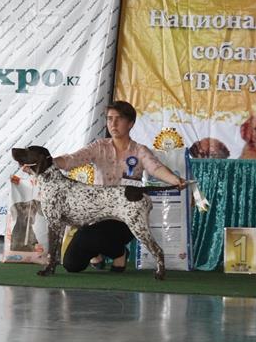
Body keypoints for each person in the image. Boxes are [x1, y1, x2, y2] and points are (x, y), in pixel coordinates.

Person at [53, 101, 186, 272]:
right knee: (72, 265)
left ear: (130, 123)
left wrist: (174, 180)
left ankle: (119, 253)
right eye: (109, 119)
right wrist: (48, 162)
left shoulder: (140, 150)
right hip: (97, 216)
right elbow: (71, 160)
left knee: (93, 236)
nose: (113, 123)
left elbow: (156, 168)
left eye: (119, 119)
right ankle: (98, 253)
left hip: (124, 219)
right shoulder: (98, 146)